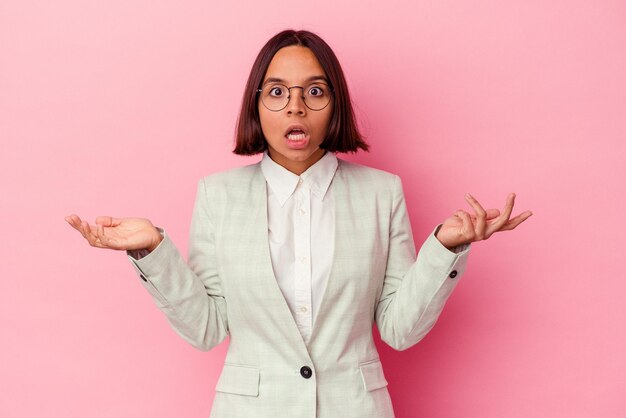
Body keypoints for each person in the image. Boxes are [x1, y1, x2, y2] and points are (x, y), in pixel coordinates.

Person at [65, 29, 532, 418]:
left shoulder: (381, 192)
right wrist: (152, 251)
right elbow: (206, 328)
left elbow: (398, 329)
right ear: (257, 105)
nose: (295, 107)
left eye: (314, 91)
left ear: (335, 103)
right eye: (276, 92)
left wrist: (444, 249)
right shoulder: (218, 195)